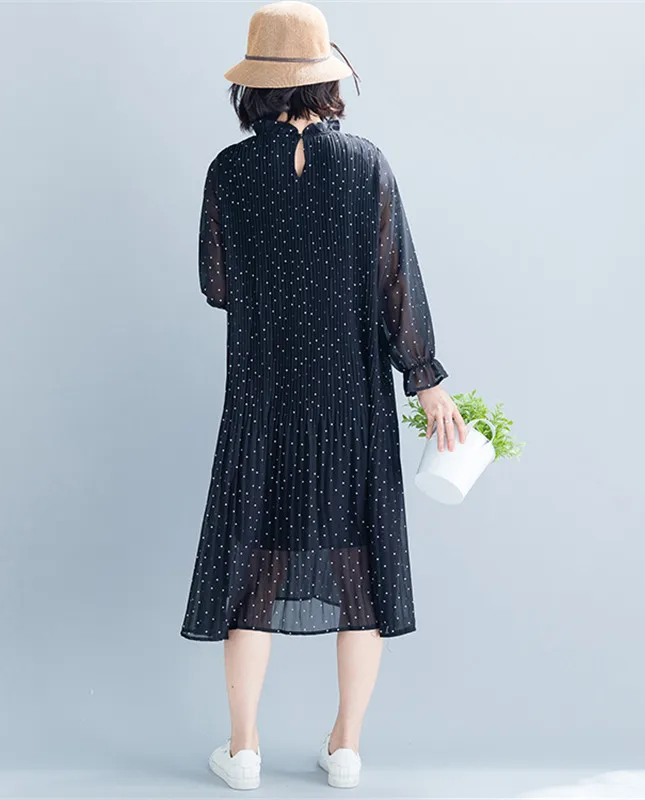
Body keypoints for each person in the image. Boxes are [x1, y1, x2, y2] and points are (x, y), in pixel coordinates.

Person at [180, 0, 466, 790]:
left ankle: (243, 750)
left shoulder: (229, 171)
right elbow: (396, 282)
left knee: (253, 569)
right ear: (327, 80)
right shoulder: (367, 164)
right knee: (359, 572)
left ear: (254, 87)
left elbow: (216, 285)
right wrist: (426, 378)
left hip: (264, 399)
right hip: (352, 400)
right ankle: (345, 748)